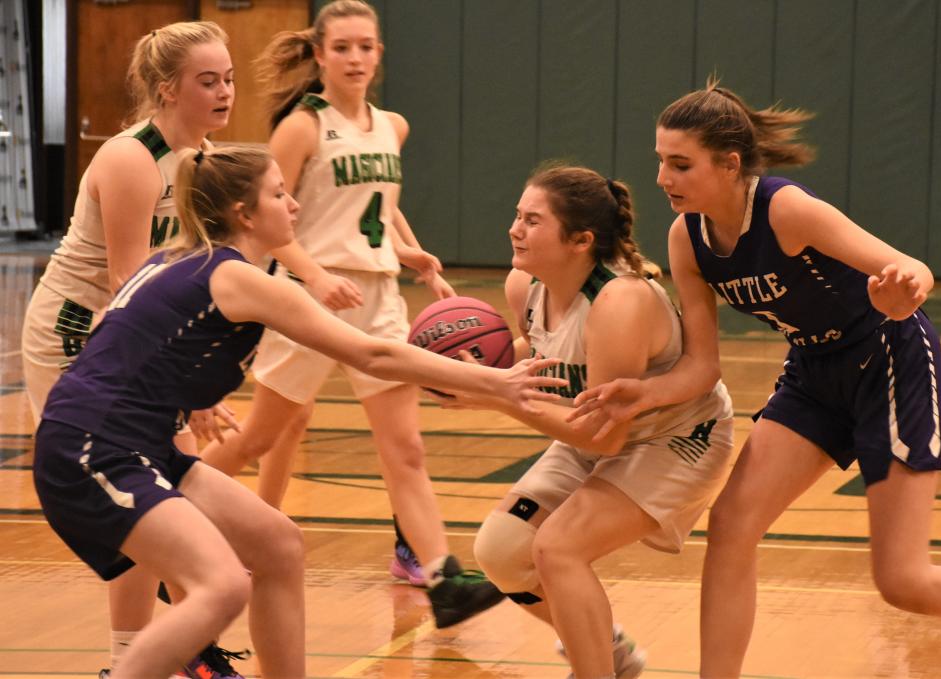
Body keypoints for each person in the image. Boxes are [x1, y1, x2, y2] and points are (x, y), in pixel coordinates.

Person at [33, 145, 568, 679]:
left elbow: (123, 340)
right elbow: (372, 353)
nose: (293, 205)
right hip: (92, 448)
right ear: (244, 214)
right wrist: (497, 383)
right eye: (279, 193)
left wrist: (190, 396)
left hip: (128, 441)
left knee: (279, 545)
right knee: (222, 585)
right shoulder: (237, 277)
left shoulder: (176, 261)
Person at [569, 80, 941, 677]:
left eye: (679, 164)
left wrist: (902, 292)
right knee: (731, 525)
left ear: (729, 165)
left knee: (903, 582)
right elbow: (703, 367)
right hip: (814, 373)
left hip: (890, 362)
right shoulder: (687, 237)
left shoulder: (784, 208)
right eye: (659, 162)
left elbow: (911, 268)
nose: (663, 178)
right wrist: (641, 394)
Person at [199, 0, 504, 627]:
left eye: (366, 46)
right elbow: (262, 217)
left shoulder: (392, 125)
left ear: (379, 54)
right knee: (260, 436)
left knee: (407, 449)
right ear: (319, 56)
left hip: (379, 299)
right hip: (308, 299)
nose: (356, 58)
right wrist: (314, 275)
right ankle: (165, 504)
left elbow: (380, 207)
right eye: (342, 48)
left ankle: (443, 579)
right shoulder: (302, 127)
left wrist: (413, 254)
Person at [431, 164, 736, 678]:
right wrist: (483, 369)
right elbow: (551, 355)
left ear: (580, 240)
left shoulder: (620, 302)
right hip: (595, 423)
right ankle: (607, 652)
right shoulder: (522, 286)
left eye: (532, 220)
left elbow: (605, 434)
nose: (514, 229)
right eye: (516, 215)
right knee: (503, 551)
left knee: (558, 548)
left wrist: (498, 398)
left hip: (676, 437)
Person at [19, 21, 247, 678]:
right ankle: (148, 656)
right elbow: (131, 285)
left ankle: (171, 647)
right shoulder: (131, 158)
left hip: (136, 336)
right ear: (167, 89)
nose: (224, 91)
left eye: (228, 78)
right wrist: (184, 386)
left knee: (165, 491)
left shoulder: (203, 157)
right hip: (79, 332)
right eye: (209, 81)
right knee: (135, 488)